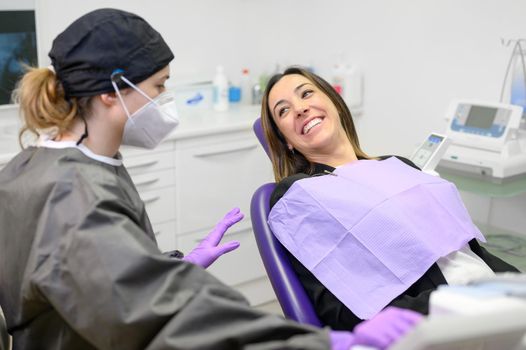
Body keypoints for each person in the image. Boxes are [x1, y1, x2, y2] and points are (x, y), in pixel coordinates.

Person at [0, 9, 421, 350]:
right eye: (158, 86)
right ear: (112, 91)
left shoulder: (52, 166)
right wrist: (325, 343)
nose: (164, 100)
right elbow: (164, 316)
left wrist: (175, 265)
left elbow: (101, 273)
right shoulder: (73, 193)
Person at [260, 66, 520, 331]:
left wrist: (513, 286)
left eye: (306, 94)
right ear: (286, 141)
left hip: (491, 298)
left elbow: (472, 251)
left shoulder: (399, 165)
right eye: (284, 110)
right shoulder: (300, 195)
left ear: (335, 103)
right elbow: (341, 311)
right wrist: (459, 300)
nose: (300, 108)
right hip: (440, 321)